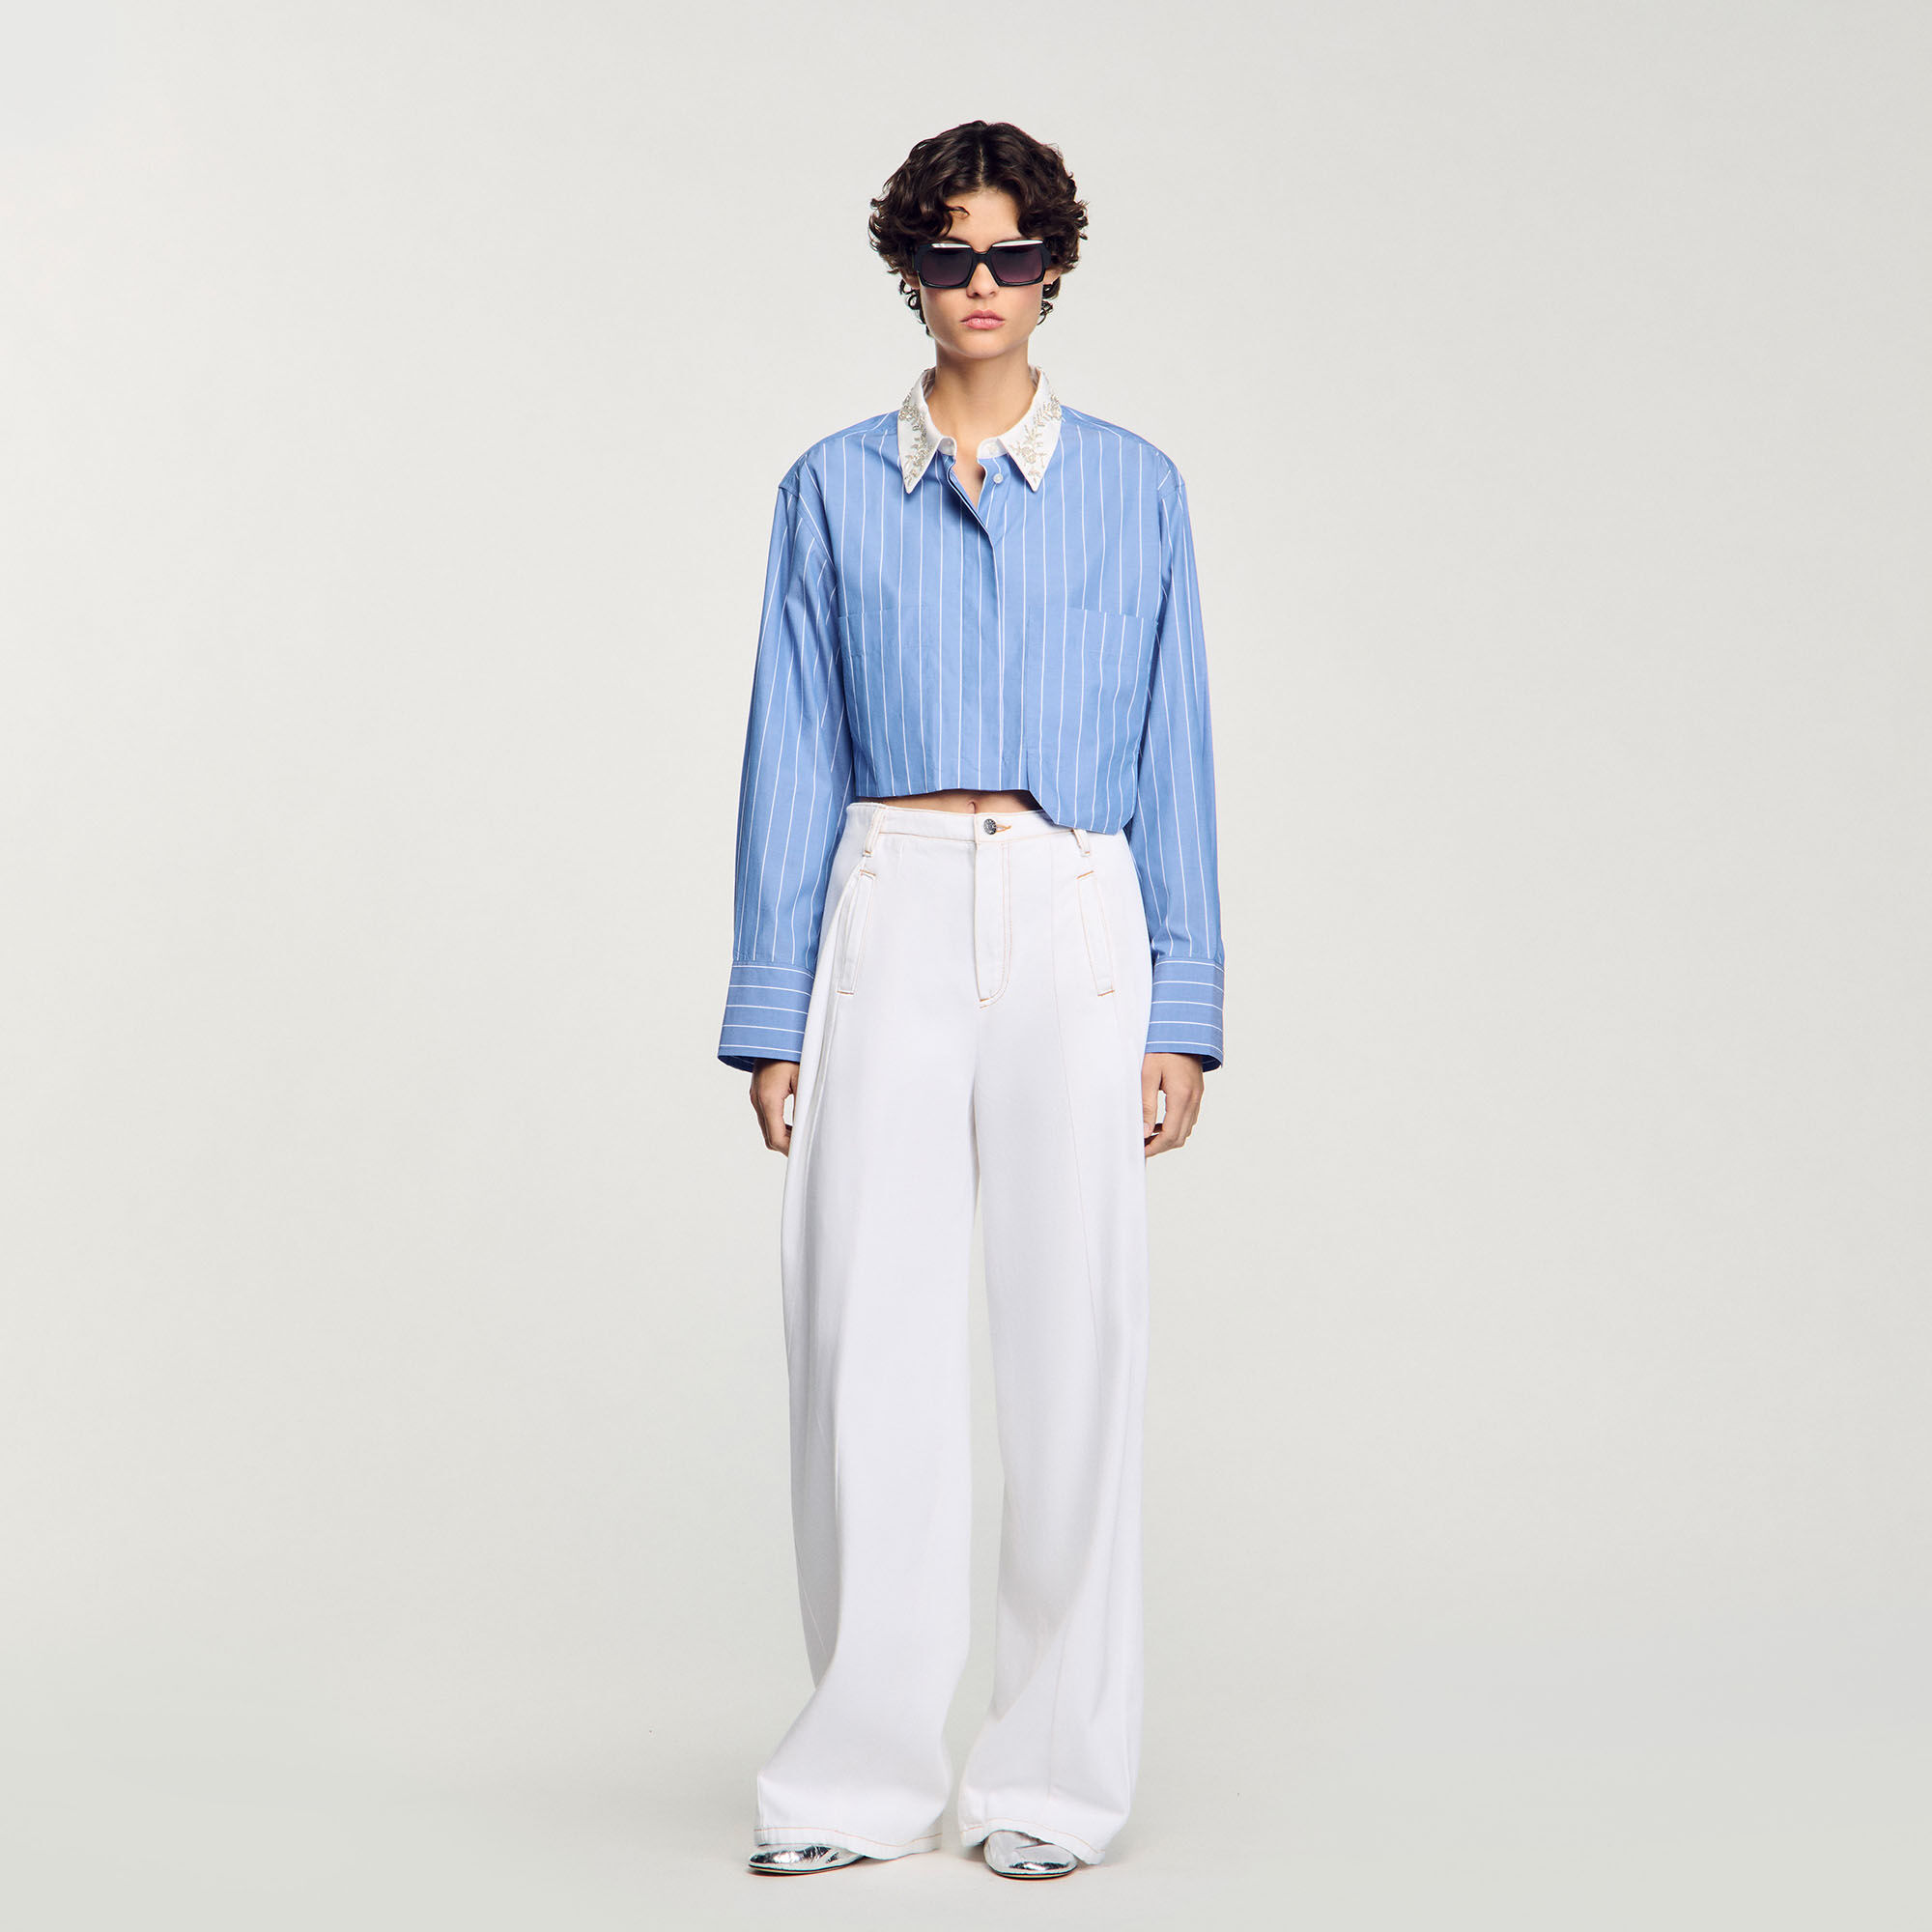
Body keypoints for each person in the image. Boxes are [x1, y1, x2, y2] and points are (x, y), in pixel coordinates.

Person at [717, 119, 1225, 1882]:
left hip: (1081, 908)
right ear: (910, 273)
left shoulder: (1137, 488)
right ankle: (853, 1782)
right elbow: (790, 748)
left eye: (1012, 254)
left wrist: (1185, 1006)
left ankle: (1051, 1785)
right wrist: (772, 1010)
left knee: (1076, 1343)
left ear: (1056, 267)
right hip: (889, 905)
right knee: (865, 1346)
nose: (982, 285)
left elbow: (1177, 742)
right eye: (949, 256)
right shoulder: (828, 488)